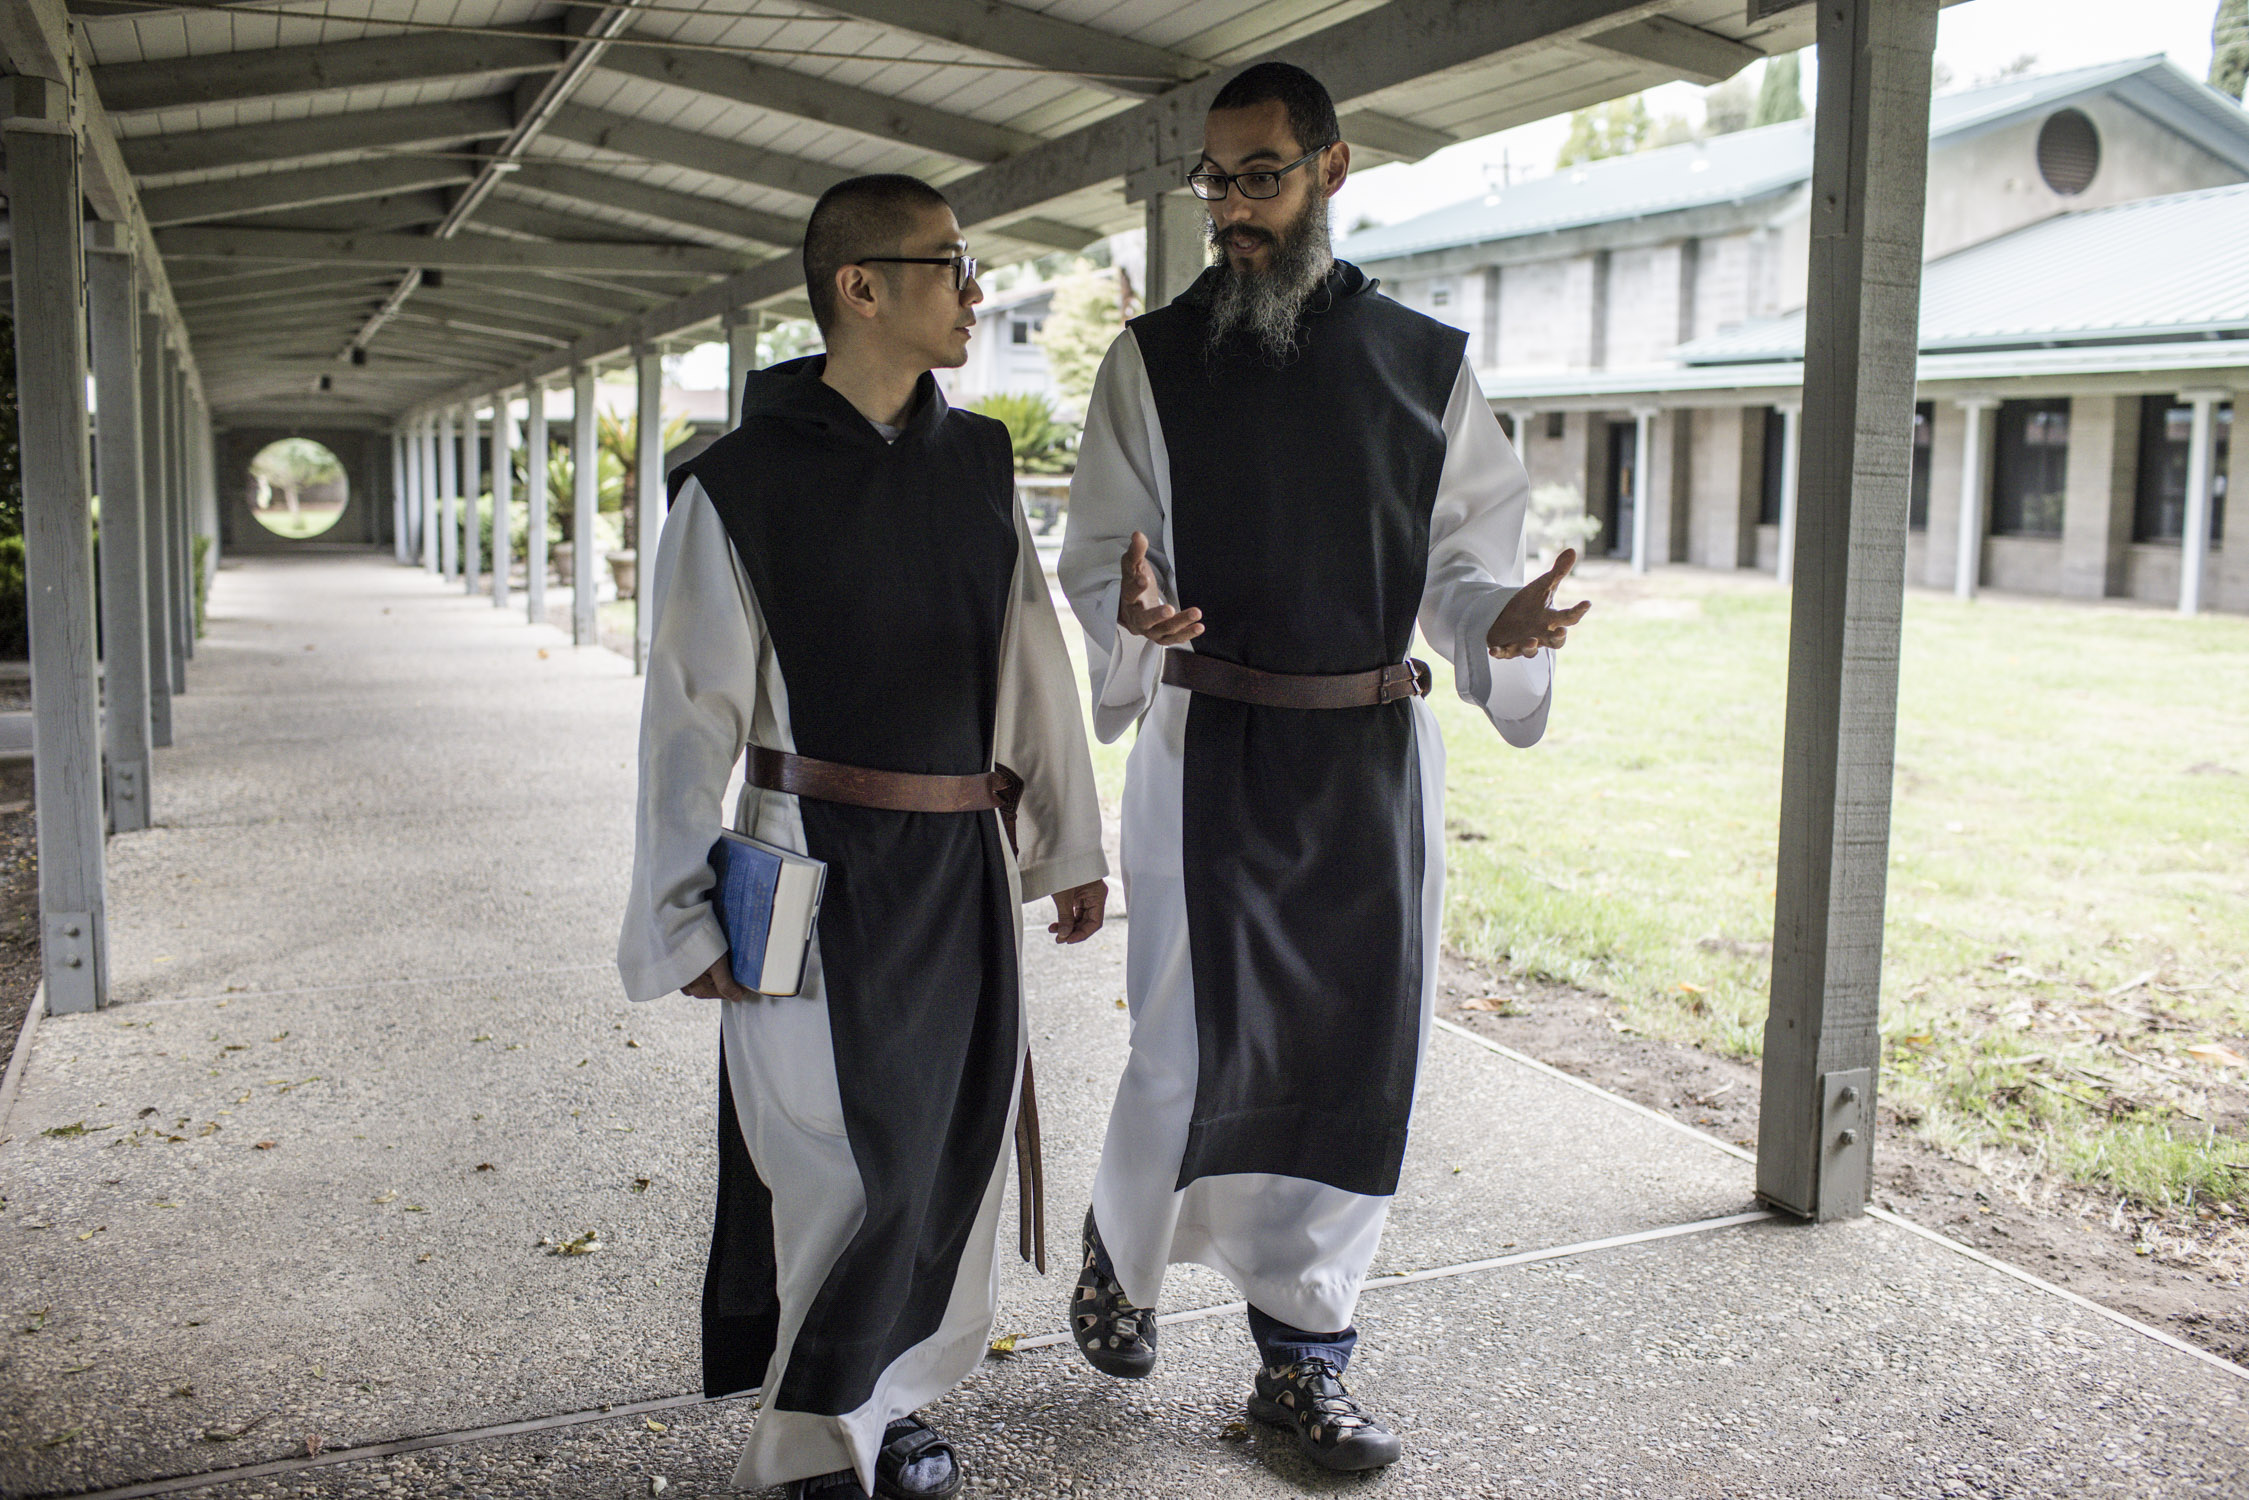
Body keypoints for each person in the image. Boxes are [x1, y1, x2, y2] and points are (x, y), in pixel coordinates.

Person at [1057, 62, 1589, 1473]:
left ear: (1334, 170)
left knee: (1354, 1054)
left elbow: (1463, 574)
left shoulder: (1425, 367)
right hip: (1208, 743)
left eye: (1260, 176)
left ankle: (1303, 1366)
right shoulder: (1147, 361)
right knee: (1187, 1042)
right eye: (1214, 179)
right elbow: (1101, 547)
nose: (1230, 207)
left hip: (1363, 753)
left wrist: (1504, 623)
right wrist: (1132, 609)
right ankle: (1123, 1248)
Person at [618, 173, 1108, 1500]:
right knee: (840, 1163)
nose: (973, 289)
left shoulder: (979, 461)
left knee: (943, 1154)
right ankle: (809, 1453)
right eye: (950, 264)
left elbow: (1032, 661)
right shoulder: (734, 485)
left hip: (957, 870)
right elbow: (687, 716)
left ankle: (885, 1406)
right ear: (861, 287)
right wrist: (679, 908)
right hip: (805, 866)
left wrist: (1067, 843)